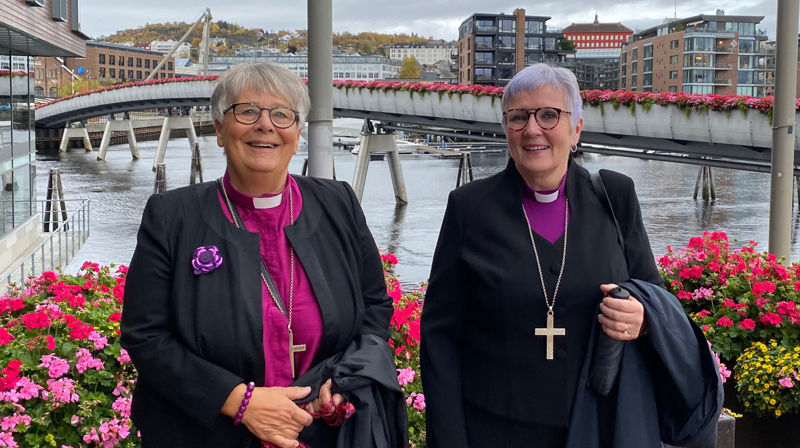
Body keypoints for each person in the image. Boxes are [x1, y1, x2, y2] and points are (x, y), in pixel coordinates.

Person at [420, 63, 722, 448]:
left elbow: (653, 295)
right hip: (493, 431)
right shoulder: (469, 208)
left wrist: (643, 319)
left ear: (576, 127)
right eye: (518, 117)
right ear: (506, 129)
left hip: (600, 426)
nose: (532, 129)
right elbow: (440, 337)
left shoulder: (615, 196)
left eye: (549, 115)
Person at [122, 63, 407, 448]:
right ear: (220, 130)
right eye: (247, 111)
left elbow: (374, 308)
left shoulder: (339, 203)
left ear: (297, 131)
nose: (265, 125)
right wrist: (239, 402)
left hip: (326, 433)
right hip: (209, 435)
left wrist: (344, 381)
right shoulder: (172, 216)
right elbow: (146, 336)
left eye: (281, 114)